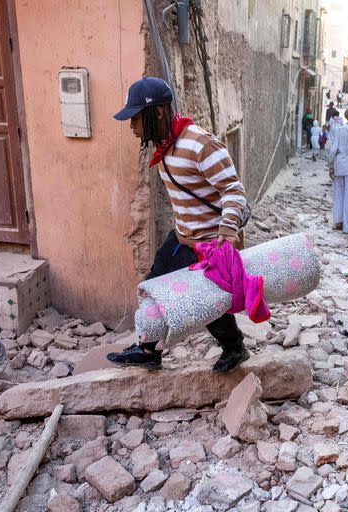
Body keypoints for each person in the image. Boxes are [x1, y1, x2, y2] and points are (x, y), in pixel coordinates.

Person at [108, 77, 249, 373]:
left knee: (208, 304)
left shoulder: (201, 144)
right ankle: (149, 350)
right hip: (182, 237)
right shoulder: (166, 147)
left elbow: (233, 190)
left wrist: (227, 231)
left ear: (157, 113)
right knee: (153, 287)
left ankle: (234, 348)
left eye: (135, 119)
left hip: (210, 244)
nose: (132, 128)